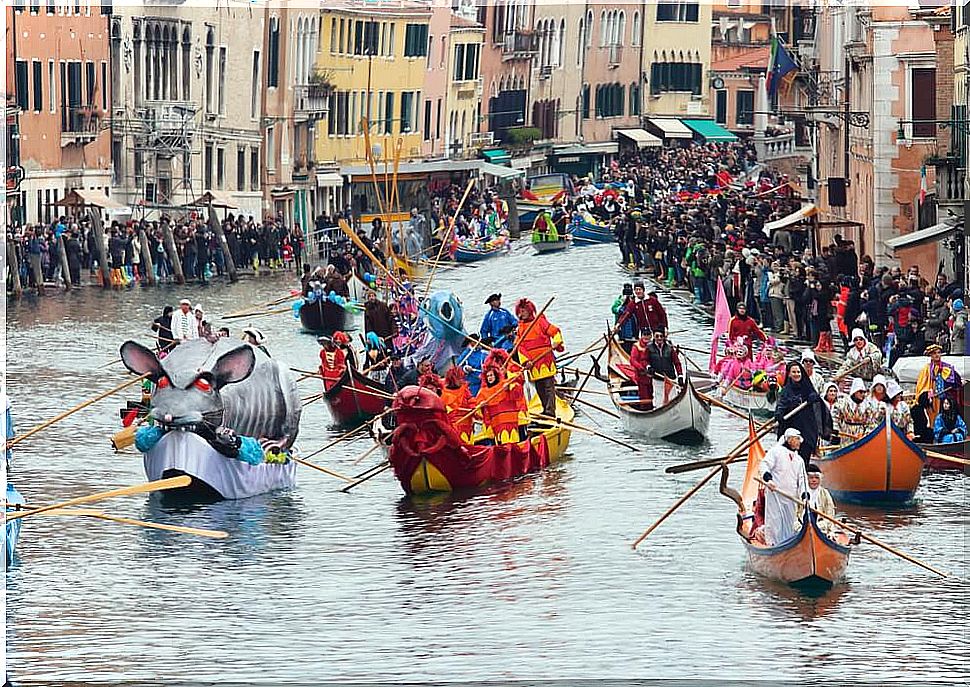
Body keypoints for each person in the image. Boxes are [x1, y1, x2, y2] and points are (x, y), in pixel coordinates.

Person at [514, 298, 565, 418]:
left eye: (524, 310)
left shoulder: (540, 321)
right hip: (533, 364)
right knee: (539, 388)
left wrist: (556, 342)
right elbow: (520, 347)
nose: (522, 313)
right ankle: (544, 409)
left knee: (548, 387)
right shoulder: (520, 328)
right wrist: (525, 361)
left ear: (529, 310)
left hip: (545, 360)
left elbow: (555, 331)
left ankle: (550, 411)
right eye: (520, 311)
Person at [758, 428, 809, 545]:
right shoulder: (776, 451)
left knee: (789, 523)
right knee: (774, 520)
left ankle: (786, 545)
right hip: (775, 493)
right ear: (790, 439)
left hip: (791, 497)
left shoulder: (799, 460)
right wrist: (768, 480)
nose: (799, 442)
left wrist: (805, 496)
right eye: (797, 439)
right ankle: (772, 544)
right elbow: (764, 465)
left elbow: (802, 480)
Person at [774, 361, 830, 464]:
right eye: (794, 372)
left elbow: (819, 405)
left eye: (798, 372)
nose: (796, 374)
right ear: (789, 374)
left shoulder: (808, 388)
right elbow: (781, 405)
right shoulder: (786, 391)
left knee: (804, 459)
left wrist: (815, 398)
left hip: (807, 430)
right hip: (791, 428)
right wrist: (779, 414)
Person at [473, 349, 527, 445]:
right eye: (488, 376)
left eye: (491, 375)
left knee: (520, 436)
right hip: (497, 422)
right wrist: (481, 406)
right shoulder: (483, 391)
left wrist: (509, 384)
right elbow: (478, 406)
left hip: (515, 413)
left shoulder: (511, 370)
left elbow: (519, 383)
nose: (490, 377)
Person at [913, 343, 963, 442]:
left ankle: (947, 437)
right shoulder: (926, 369)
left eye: (938, 353)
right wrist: (927, 394)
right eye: (934, 353)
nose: (936, 355)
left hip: (944, 399)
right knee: (932, 419)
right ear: (930, 355)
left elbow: (955, 381)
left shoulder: (947, 368)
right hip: (932, 400)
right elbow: (921, 385)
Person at [796, 464, 837, 535]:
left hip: (821, 527)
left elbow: (830, 514)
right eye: (811, 478)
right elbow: (793, 516)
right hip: (801, 528)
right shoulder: (798, 493)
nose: (814, 480)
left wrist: (821, 526)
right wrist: (799, 527)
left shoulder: (825, 493)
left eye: (816, 478)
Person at [441, 366, 474, 443]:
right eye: (459, 378)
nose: (462, 380)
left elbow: (471, 400)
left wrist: (473, 408)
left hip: (467, 424)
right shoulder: (444, 392)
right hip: (454, 426)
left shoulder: (464, 389)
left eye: (462, 378)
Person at [611, 283, 637, 350]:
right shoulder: (619, 301)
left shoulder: (635, 300)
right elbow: (614, 309)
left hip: (633, 324)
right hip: (622, 325)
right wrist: (622, 305)